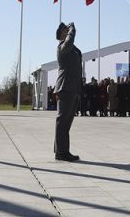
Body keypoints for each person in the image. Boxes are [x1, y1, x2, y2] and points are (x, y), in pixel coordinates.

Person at [53, 22, 82, 161]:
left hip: (73, 87)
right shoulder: (62, 47)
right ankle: (61, 152)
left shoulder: (71, 48)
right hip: (65, 87)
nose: (68, 32)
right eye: (66, 30)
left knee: (67, 122)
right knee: (63, 121)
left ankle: (62, 150)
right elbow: (69, 43)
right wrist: (72, 30)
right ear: (61, 34)